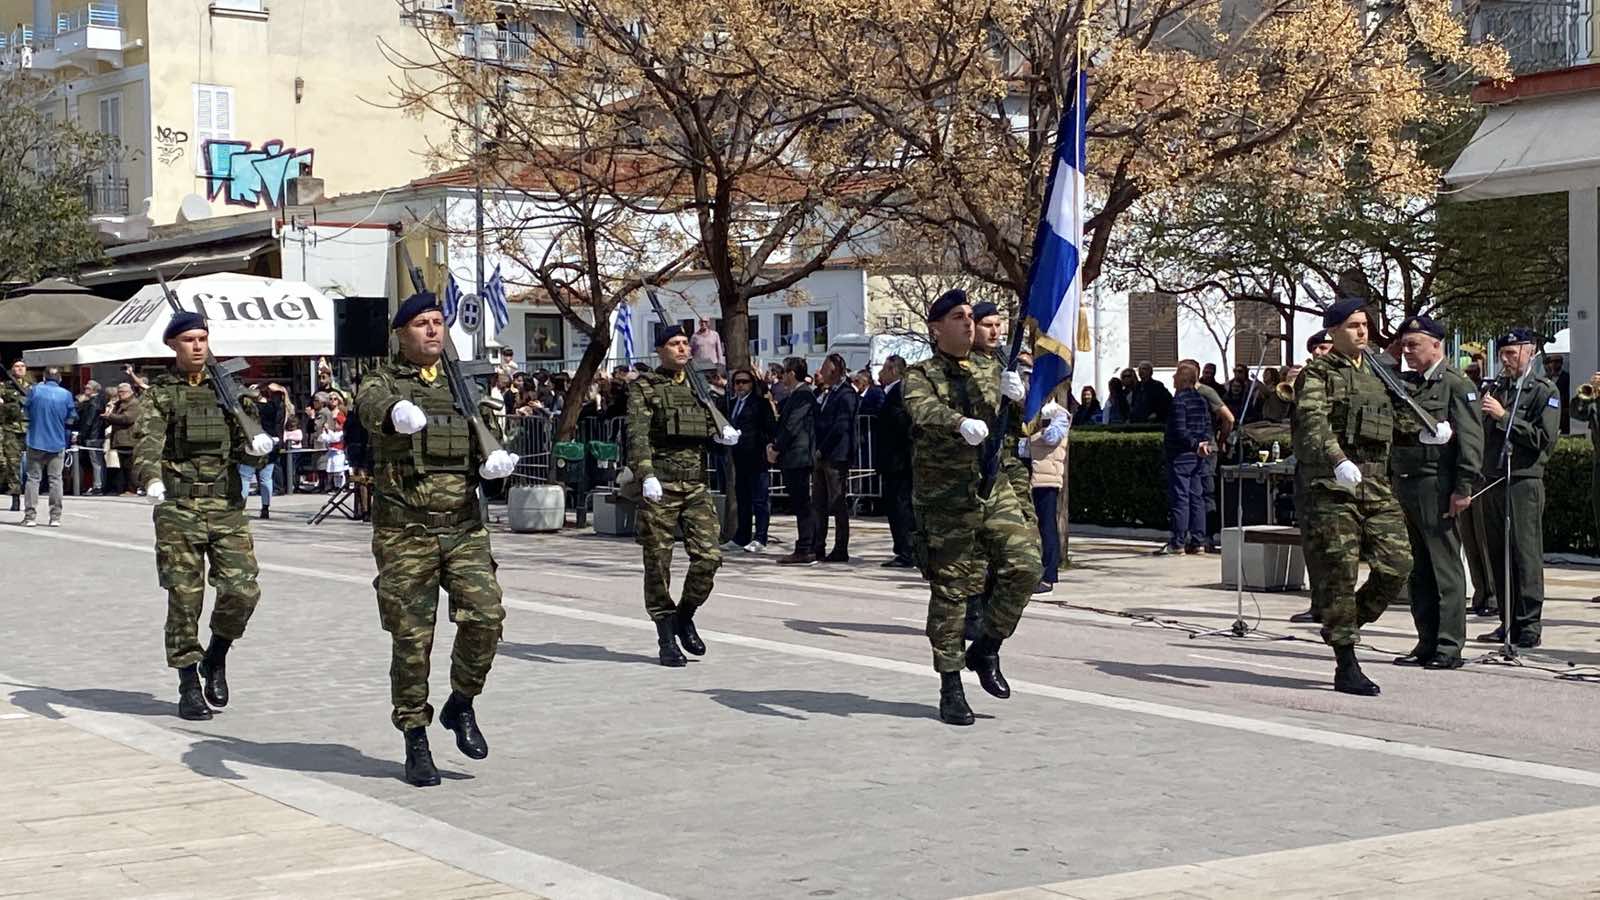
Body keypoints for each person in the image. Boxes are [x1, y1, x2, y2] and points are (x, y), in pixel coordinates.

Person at [356, 291, 519, 787]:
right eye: (421, 323)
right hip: (406, 531)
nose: (432, 330)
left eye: (437, 322)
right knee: (412, 638)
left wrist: (497, 466)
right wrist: (394, 413)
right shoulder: (383, 381)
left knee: (486, 617)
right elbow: (370, 406)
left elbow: (490, 441)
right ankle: (415, 736)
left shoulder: (463, 384)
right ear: (401, 334)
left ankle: (461, 702)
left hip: (464, 528)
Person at [903, 289, 1041, 726]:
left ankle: (986, 647)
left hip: (991, 484)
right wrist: (958, 422)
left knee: (1025, 565)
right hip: (946, 496)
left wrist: (1021, 399)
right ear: (936, 328)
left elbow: (1017, 423)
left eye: (969, 316)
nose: (968, 323)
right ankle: (950, 686)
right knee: (951, 591)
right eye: (958, 317)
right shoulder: (920, 374)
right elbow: (922, 410)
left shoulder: (992, 368)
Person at [133, 312, 277, 721]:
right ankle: (188, 684)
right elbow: (147, 441)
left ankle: (216, 655)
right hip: (179, 508)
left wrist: (258, 447)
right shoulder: (161, 394)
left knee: (242, 591)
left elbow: (252, 445)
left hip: (226, 506)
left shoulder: (229, 389)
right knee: (184, 597)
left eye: (202, 338)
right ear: (172, 345)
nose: (197, 346)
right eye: (188, 340)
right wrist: (150, 477)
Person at [1292, 297, 1412, 696]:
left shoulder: (1377, 370)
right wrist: (1338, 459)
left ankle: (1343, 623)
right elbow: (1313, 423)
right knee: (1339, 574)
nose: (1362, 331)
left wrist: (1429, 431)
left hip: (1375, 485)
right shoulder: (1318, 373)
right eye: (1353, 325)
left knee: (1397, 565)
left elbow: (1397, 417)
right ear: (1333, 331)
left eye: (1364, 324)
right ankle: (1346, 663)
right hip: (1332, 487)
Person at [626, 324, 740, 666]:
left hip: (695, 485)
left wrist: (721, 435)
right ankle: (665, 635)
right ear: (660, 350)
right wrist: (646, 474)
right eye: (674, 344)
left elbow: (706, 428)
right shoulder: (644, 387)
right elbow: (637, 435)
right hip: (661, 485)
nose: (682, 349)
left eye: (684, 344)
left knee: (709, 557)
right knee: (657, 562)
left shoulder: (698, 385)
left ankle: (684, 615)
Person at [1384, 316, 1482, 670]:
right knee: (1418, 569)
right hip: (1407, 482)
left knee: (1445, 568)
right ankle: (1426, 641)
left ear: (1436, 345)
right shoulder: (1408, 383)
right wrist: (1390, 355)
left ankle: (1449, 645)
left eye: (1414, 345)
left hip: (1437, 485)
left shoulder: (1456, 384)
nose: (1407, 351)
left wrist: (1463, 487)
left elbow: (1471, 440)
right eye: (1404, 345)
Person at [1474, 328, 1560, 650]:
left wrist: (1504, 416)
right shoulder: (1497, 388)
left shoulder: (1543, 391)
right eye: (1503, 354)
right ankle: (1507, 620)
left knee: (1524, 553)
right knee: (1498, 553)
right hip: (1494, 479)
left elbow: (1543, 439)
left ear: (1530, 352)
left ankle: (1529, 624)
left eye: (1512, 353)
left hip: (1523, 480)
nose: (1506, 360)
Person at [1155, 362, 1214, 555]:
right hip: (1198, 456)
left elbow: (1180, 430)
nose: (1173, 378)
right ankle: (1198, 541)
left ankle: (1178, 542)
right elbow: (1207, 425)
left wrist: (1195, 444)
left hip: (1181, 456)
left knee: (1180, 498)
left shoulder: (1179, 401)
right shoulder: (1201, 400)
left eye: (1176, 375)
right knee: (1196, 497)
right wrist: (1203, 443)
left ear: (1183, 379)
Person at [811, 352, 858, 563]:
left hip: (836, 456)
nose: (820, 372)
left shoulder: (846, 394)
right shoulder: (829, 393)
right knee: (818, 502)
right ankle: (817, 545)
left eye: (824, 368)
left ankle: (840, 548)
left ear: (834, 370)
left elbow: (841, 426)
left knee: (837, 503)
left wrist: (823, 449)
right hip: (822, 454)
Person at [771, 357, 817, 565]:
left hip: (798, 456)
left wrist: (776, 448)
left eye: (784, 372)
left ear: (791, 373)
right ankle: (808, 545)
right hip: (794, 456)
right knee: (800, 502)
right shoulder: (796, 395)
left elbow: (792, 425)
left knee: (801, 503)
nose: (782, 377)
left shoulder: (803, 395)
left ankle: (806, 547)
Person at [727, 366, 776, 552]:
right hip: (739, 456)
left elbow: (770, 428)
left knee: (760, 499)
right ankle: (742, 536)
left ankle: (761, 537)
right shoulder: (731, 403)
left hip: (757, 456)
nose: (740, 385)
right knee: (743, 497)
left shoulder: (760, 404)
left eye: (744, 382)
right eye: (737, 382)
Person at [20, 367, 76, 527]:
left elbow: (25, 411)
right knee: (56, 479)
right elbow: (71, 418)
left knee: (33, 479)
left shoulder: (35, 390)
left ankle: (30, 517)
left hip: (36, 440)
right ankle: (55, 517)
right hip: (57, 441)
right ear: (60, 379)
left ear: (44, 377)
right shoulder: (66, 394)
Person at [1027, 398, 1072, 592]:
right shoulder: (1030, 410)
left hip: (1046, 480)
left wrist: (1041, 423)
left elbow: (1053, 438)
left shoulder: (1060, 414)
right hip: (1028, 477)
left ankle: (1048, 575)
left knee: (1047, 527)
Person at [875, 355, 915, 568]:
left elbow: (902, 425)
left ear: (893, 370)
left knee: (900, 506)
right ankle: (903, 548)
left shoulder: (899, 392)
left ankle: (906, 551)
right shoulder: (891, 392)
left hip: (899, 460)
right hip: (893, 460)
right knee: (895, 506)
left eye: (884, 368)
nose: (880, 373)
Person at [1, 360, 31, 510]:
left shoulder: (32, 387)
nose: (20, 369)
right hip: (11, 429)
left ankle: (32, 496)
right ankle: (15, 496)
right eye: (16, 366)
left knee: (33, 464)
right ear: (11, 369)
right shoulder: (4, 387)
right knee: (13, 464)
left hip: (29, 429)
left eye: (22, 366)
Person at [104, 383, 141, 495]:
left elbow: (127, 418)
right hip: (118, 439)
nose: (120, 394)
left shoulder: (134, 403)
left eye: (123, 392)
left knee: (129, 466)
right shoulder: (118, 404)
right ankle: (121, 489)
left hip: (129, 439)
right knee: (120, 467)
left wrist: (110, 416)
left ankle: (131, 489)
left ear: (130, 392)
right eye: (119, 392)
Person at [77, 381, 107, 495]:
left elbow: (88, 421)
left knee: (96, 461)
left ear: (94, 390)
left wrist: (82, 435)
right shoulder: (95, 401)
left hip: (93, 436)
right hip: (95, 434)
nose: (85, 389)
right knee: (97, 461)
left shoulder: (94, 403)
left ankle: (98, 486)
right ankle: (99, 485)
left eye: (88, 388)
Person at [1544, 353, 1570, 434]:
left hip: (1562, 411)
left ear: (1561, 363)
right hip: (1547, 411)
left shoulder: (1567, 377)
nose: (1553, 364)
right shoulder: (1546, 377)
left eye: (1556, 361)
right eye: (1551, 361)